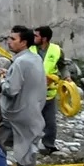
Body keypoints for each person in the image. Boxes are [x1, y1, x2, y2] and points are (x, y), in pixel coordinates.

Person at [0, 26, 46, 166]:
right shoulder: (35, 59)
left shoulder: (19, 62)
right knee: (27, 156)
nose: (9, 42)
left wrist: (2, 81)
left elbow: (11, 89)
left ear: (24, 42)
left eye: (12, 39)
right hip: (32, 113)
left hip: (14, 115)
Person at [32, 26, 64, 155]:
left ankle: (48, 145)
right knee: (31, 119)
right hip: (32, 92)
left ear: (44, 38)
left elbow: (62, 66)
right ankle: (29, 144)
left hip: (49, 93)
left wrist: (65, 77)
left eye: (36, 36)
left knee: (50, 121)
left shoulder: (56, 50)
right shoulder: (30, 49)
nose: (33, 38)